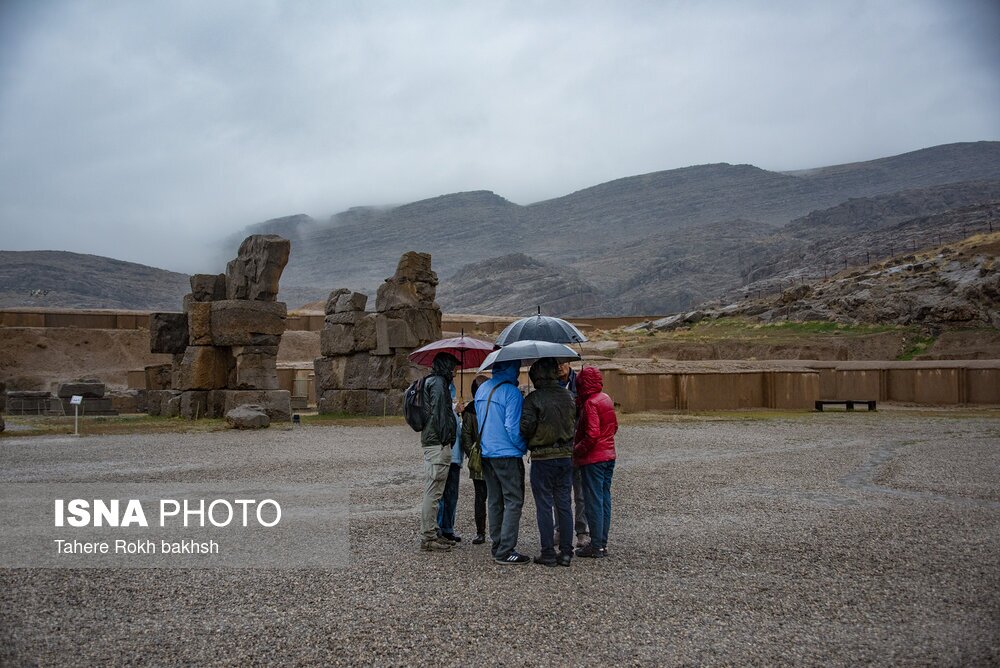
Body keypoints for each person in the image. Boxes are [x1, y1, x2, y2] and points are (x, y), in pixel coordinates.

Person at [521, 357, 577, 567]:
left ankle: (547, 552)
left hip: (543, 457)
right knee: (564, 503)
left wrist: (531, 440)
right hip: (565, 456)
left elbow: (525, 427)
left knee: (544, 504)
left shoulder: (533, 399)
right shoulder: (569, 396)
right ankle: (566, 552)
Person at [475, 359, 530, 565]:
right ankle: (506, 550)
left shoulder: (482, 389)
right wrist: (522, 447)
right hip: (507, 453)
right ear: (513, 369)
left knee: (494, 500)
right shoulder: (511, 392)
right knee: (513, 500)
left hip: (487, 453)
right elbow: (512, 428)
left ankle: (497, 543)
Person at [573, 366, 618, 558]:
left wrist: (577, 450)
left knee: (594, 501)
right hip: (609, 455)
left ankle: (596, 545)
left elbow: (592, 434)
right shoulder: (605, 398)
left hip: (594, 459)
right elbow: (614, 426)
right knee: (604, 499)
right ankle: (602, 543)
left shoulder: (590, 403)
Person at [419, 352, 460, 552]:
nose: (455, 372)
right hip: (438, 443)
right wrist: (447, 438)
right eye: (453, 367)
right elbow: (439, 414)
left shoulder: (432, 381)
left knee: (435, 490)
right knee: (433, 491)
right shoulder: (438, 384)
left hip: (434, 442)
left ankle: (433, 531)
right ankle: (428, 536)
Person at [557, 361, 590, 549]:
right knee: (560, 492)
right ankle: (560, 530)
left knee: (580, 492)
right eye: (556, 364)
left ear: (569, 363)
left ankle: (582, 531)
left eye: (562, 363)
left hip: (577, 443)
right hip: (559, 444)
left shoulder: (580, 382)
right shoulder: (550, 384)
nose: (559, 367)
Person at [460, 374, 491, 544]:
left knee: (487, 496)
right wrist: (473, 452)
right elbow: (466, 436)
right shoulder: (471, 411)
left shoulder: (484, 407)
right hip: (480, 457)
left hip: (490, 455)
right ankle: (481, 531)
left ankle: (487, 531)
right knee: (481, 496)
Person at [437, 384, 463, 543]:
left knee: (452, 495)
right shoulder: (443, 409)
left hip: (455, 457)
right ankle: (439, 528)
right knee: (441, 495)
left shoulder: (452, 410)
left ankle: (447, 528)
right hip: (446, 456)